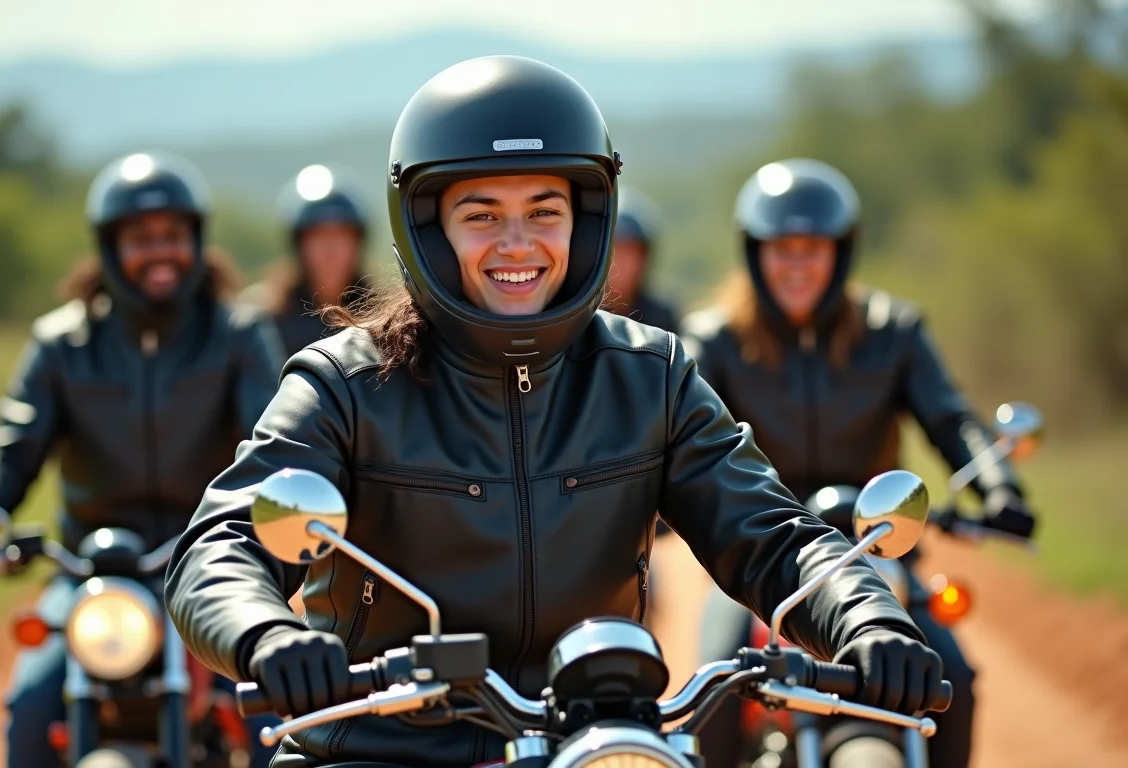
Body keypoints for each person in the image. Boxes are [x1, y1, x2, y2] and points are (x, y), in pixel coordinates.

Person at [164, 58, 945, 768]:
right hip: (378, 744)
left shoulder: (654, 376)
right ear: (427, 229)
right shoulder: (345, 384)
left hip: (598, 740)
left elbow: (773, 538)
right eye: (481, 214)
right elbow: (218, 543)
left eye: (545, 211)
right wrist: (269, 634)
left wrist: (867, 619)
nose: (518, 244)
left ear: (588, 220)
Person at [0, 151, 287, 768]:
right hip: (89, 575)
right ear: (107, 247)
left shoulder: (237, 334)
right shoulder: (63, 343)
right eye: (140, 238)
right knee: (30, 708)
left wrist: (285, 507)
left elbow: (276, 441)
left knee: (271, 712)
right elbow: (12, 444)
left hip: (208, 561)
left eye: (173, 236)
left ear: (197, 241)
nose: (160, 252)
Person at [679, 158, 1037, 768]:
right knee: (716, 685)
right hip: (764, 553)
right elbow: (681, 437)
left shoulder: (891, 331)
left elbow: (952, 420)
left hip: (877, 549)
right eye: (781, 248)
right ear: (754, 253)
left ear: (842, 253)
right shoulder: (713, 339)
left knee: (952, 678)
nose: (797, 264)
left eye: (814, 247)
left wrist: (997, 483)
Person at [236, 164, 371, 354]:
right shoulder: (264, 318)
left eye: (341, 237)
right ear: (299, 245)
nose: (330, 251)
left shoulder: (380, 318)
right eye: (319, 237)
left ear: (358, 242)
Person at [602, 186, 679, 333]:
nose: (620, 263)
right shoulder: (577, 313)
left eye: (630, 252)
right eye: (615, 250)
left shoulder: (662, 318)